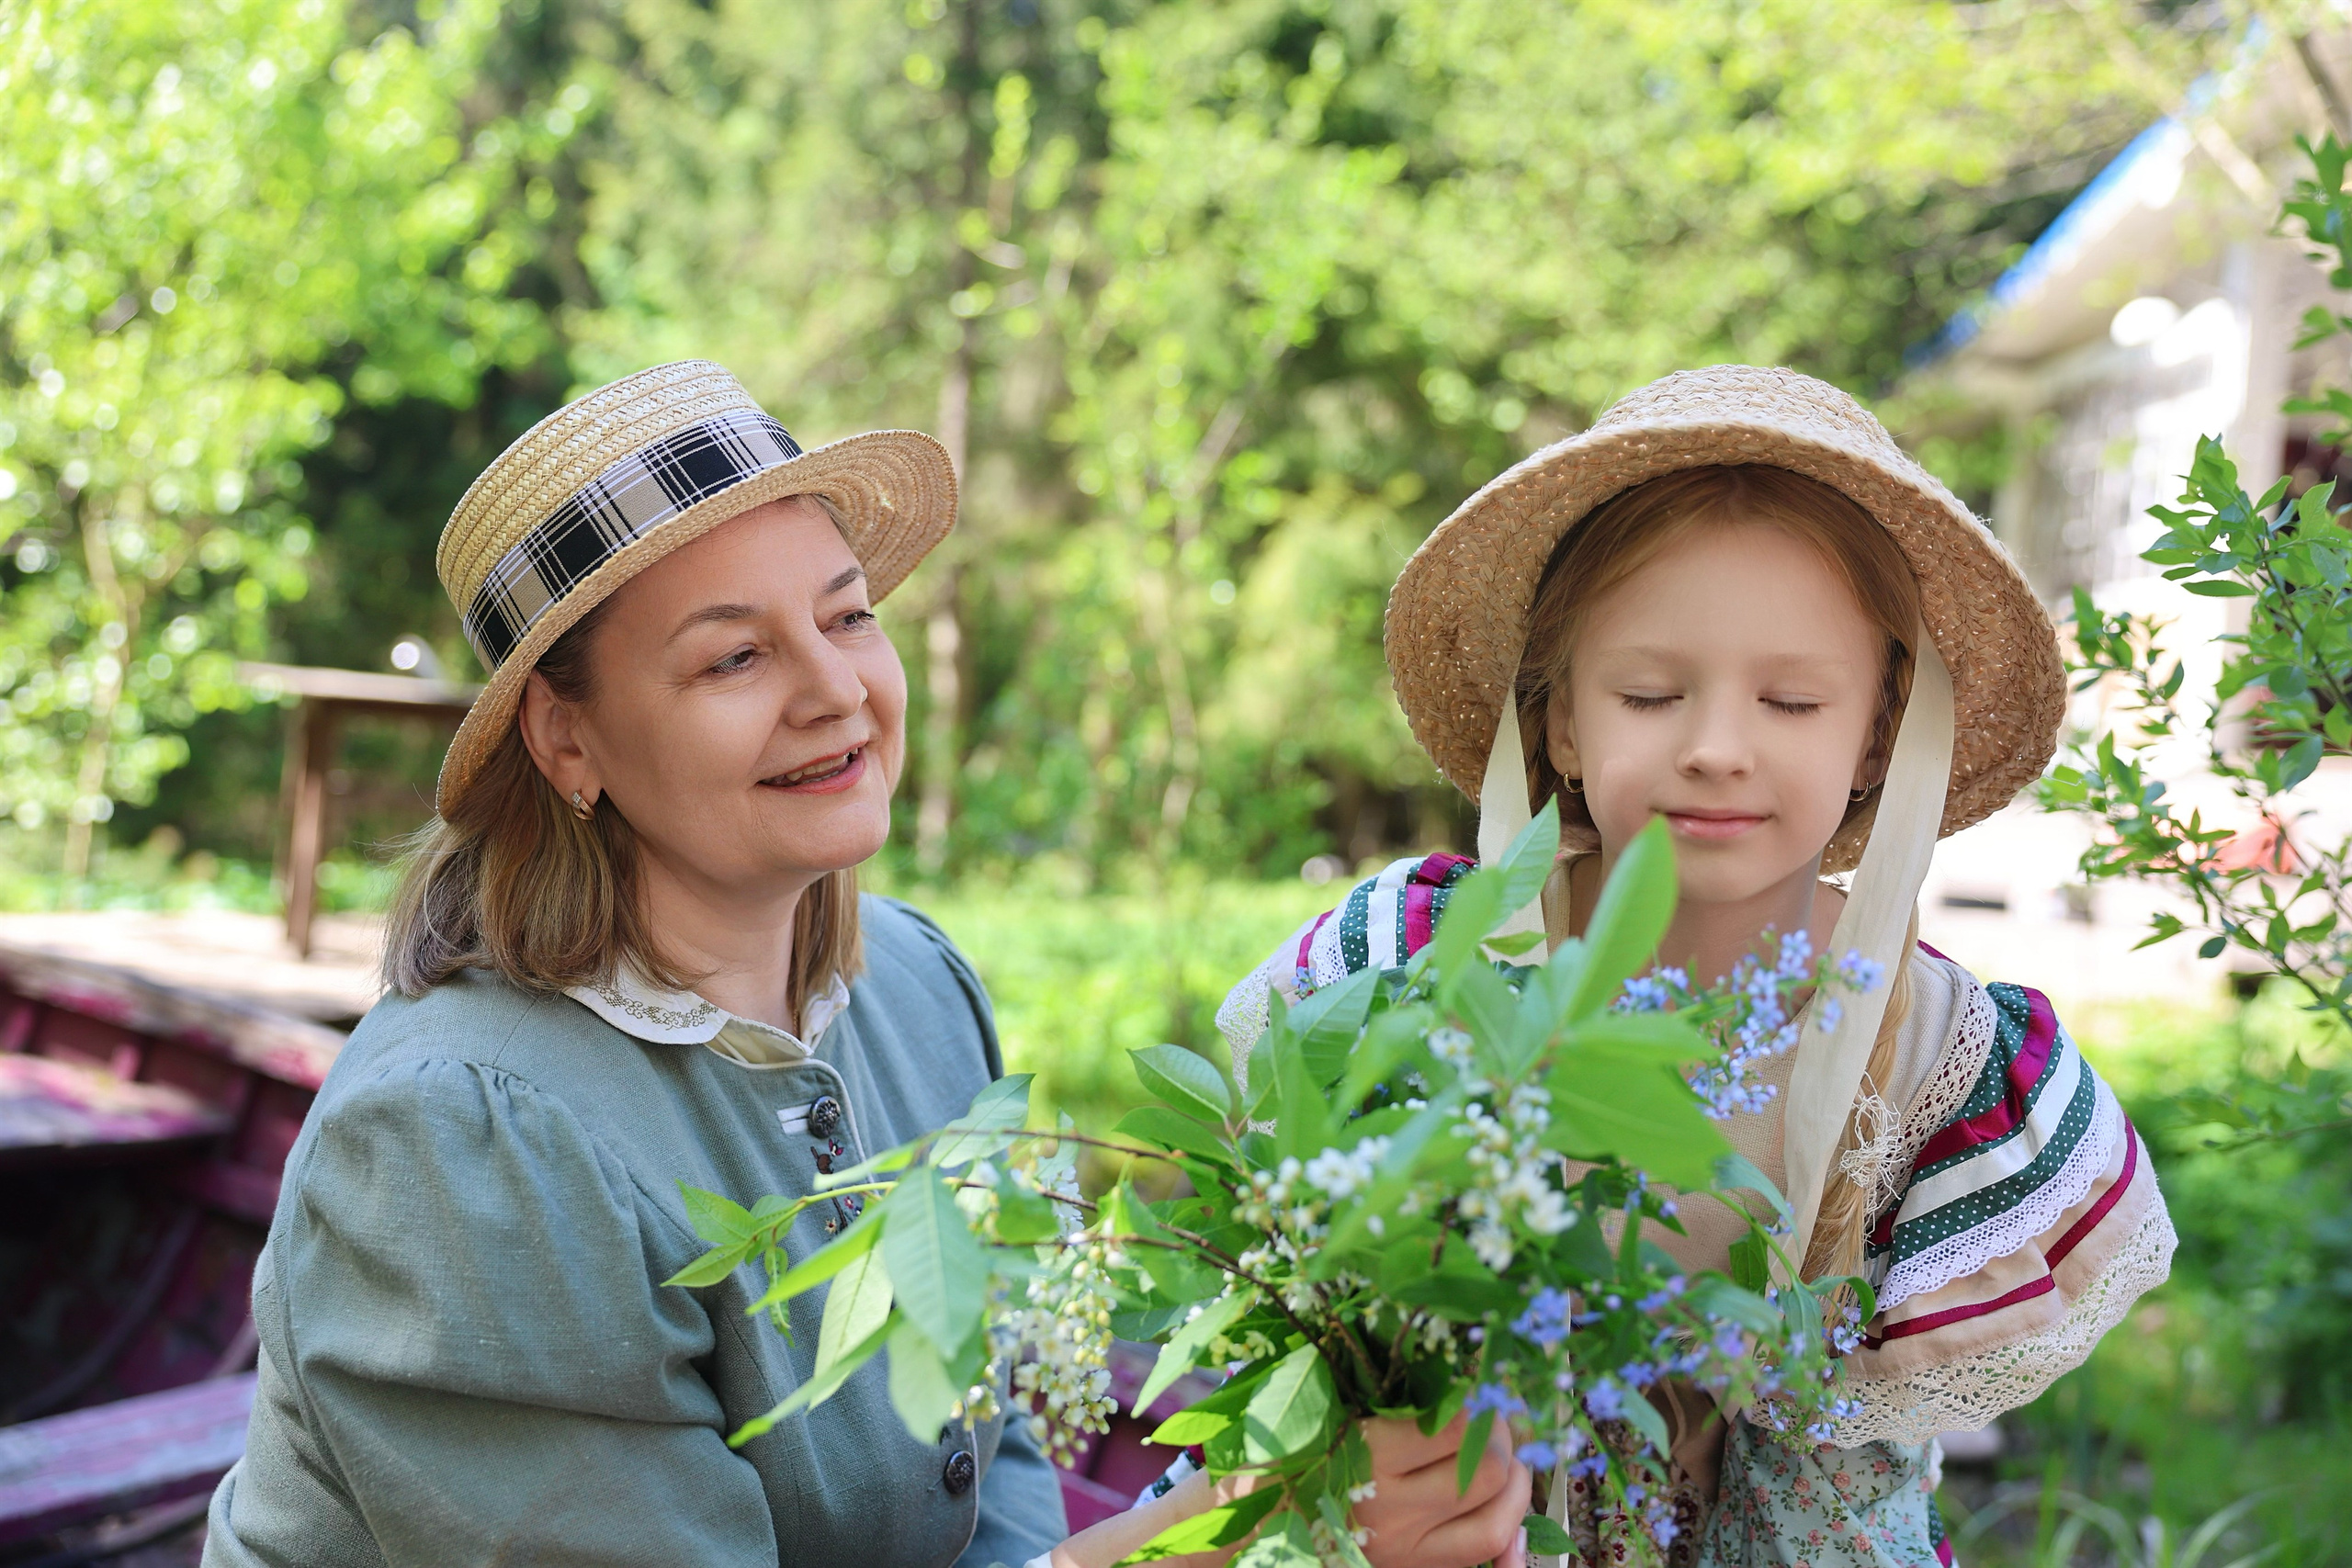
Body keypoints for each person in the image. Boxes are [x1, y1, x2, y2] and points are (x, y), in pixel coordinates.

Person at [203, 360, 1529, 1568]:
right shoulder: (459, 1144)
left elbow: (986, 1450)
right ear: (566, 742)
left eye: (847, 618)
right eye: (734, 655)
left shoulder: (911, 990)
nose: (834, 690)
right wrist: (1225, 1540)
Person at [1210, 367, 2177, 1566]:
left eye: (1790, 701)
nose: (1719, 749)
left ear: (1877, 732)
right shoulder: (1409, 975)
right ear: (1562, 721)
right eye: (1651, 692)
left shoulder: (1943, 1064)